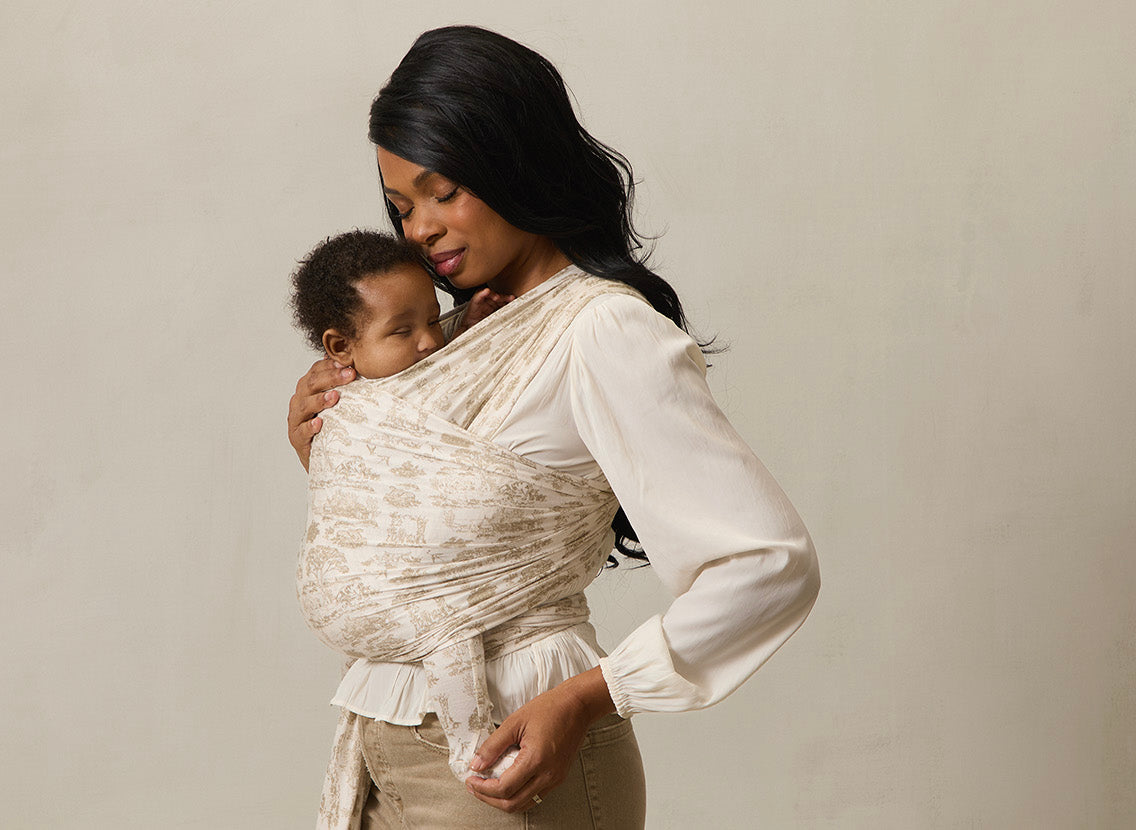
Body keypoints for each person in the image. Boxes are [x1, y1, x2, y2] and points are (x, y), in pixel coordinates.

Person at [284, 26, 822, 830]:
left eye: (443, 192)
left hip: (512, 757)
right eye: (402, 208)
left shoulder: (602, 331)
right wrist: (339, 452)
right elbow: (431, 533)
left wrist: (587, 698)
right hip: (379, 748)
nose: (421, 228)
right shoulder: (457, 332)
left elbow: (767, 564)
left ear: (514, 162)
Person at [289, 229, 506, 379]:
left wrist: (467, 328)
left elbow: (445, 377)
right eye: (402, 331)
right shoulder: (349, 408)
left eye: (432, 321)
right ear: (341, 346)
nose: (430, 342)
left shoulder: (420, 368)